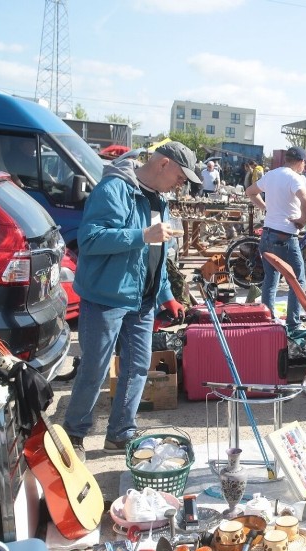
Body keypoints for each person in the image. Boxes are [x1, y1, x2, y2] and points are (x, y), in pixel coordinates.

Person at [62, 141, 196, 461]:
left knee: (137, 366)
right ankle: (74, 433)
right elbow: (90, 239)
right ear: (163, 164)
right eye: (181, 175)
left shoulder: (158, 199)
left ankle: (120, 433)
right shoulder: (113, 189)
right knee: (94, 368)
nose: (184, 183)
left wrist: (167, 295)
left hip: (143, 299)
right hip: (106, 298)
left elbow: (156, 257)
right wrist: (141, 235)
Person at [244, 146, 306, 331]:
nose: (304, 166)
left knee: (270, 279)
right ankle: (293, 323)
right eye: (304, 162)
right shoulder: (294, 178)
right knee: (298, 281)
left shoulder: (272, 174)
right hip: (285, 236)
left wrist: (265, 207)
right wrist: (302, 220)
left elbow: (250, 191)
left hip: (267, 234)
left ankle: (267, 320)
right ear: (300, 162)